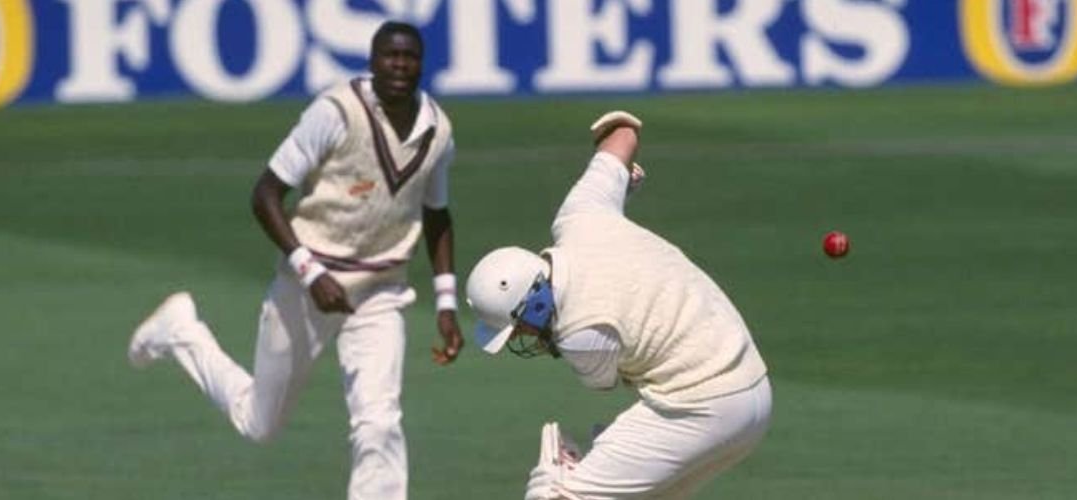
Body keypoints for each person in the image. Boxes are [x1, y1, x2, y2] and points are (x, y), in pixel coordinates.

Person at [127, 21, 463, 500]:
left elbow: (437, 215)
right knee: (259, 424)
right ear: (372, 61)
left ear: (421, 64)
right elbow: (265, 195)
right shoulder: (336, 112)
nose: (399, 66)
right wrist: (311, 271)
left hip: (381, 290)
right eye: (390, 56)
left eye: (409, 57)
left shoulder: (438, 131)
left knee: (379, 421)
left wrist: (447, 304)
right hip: (308, 285)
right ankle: (181, 332)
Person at [464, 111, 772, 500]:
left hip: (699, 407)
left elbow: (603, 379)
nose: (525, 336)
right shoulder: (581, 216)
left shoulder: (582, 335)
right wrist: (618, 178)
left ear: (535, 304)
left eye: (519, 327)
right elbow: (623, 134)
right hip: (754, 391)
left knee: (558, 494)